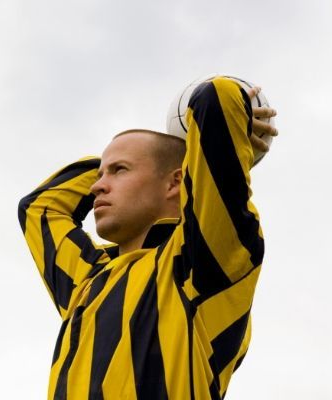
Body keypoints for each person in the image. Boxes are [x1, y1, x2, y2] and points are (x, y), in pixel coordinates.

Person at [17, 77, 278, 400]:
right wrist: (139, 154)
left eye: (119, 170)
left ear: (175, 182)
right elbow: (40, 206)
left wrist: (189, 147)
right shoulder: (86, 281)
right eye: (100, 174)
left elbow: (217, 98)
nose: (96, 186)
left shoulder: (200, 261)